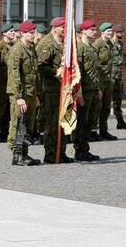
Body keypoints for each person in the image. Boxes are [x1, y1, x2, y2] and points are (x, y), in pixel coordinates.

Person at [37, 16, 71, 163]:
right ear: (54, 27)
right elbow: (41, 66)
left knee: (63, 121)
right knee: (51, 122)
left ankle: (61, 152)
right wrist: (57, 73)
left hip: (63, 89)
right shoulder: (47, 43)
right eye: (62, 27)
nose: (65, 30)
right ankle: (50, 153)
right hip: (51, 89)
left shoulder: (64, 43)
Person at [8, 21, 41, 166]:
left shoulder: (32, 48)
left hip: (31, 92)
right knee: (19, 124)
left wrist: (37, 95)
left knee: (28, 125)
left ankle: (24, 153)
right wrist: (19, 97)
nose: (33, 35)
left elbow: (34, 73)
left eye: (34, 33)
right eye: (31, 33)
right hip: (20, 93)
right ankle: (17, 155)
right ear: (22, 33)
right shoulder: (17, 50)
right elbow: (14, 75)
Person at [74, 20, 100, 162]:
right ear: (83, 31)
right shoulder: (80, 48)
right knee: (82, 123)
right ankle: (80, 151)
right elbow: (77, 73)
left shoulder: (92, 47)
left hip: (93, 90)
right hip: (84, 91)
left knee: (90, 122)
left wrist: (98, 88)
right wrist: (79, 93)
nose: (94, 32)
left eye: (95, 30)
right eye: (91, 30)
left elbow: (95, 71)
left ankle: (85, 149)